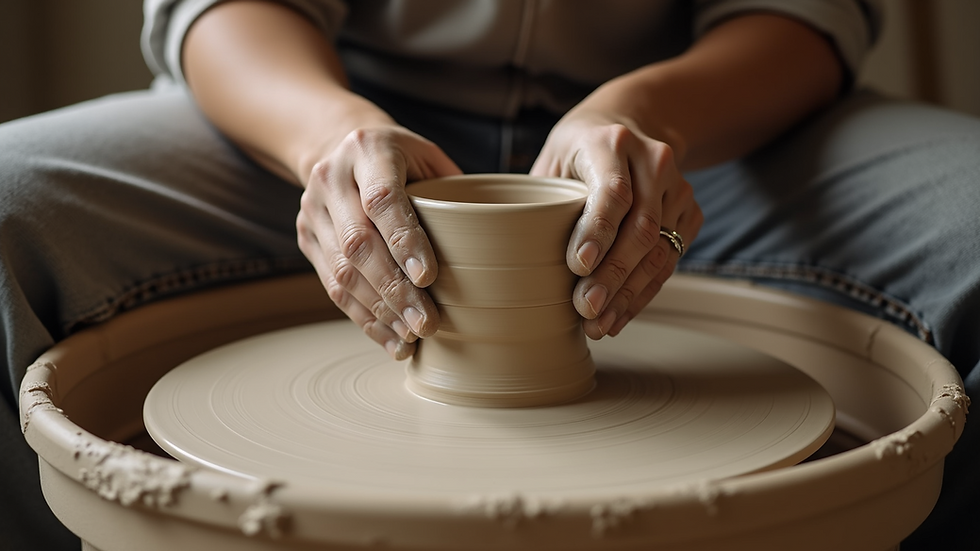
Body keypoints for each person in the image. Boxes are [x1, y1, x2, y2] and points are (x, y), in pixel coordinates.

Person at [0, 1, 976, 549]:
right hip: (328, 117)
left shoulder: (665, 126)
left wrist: (645, 116)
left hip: (688, 136)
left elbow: (803, 16)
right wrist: (327, 138)